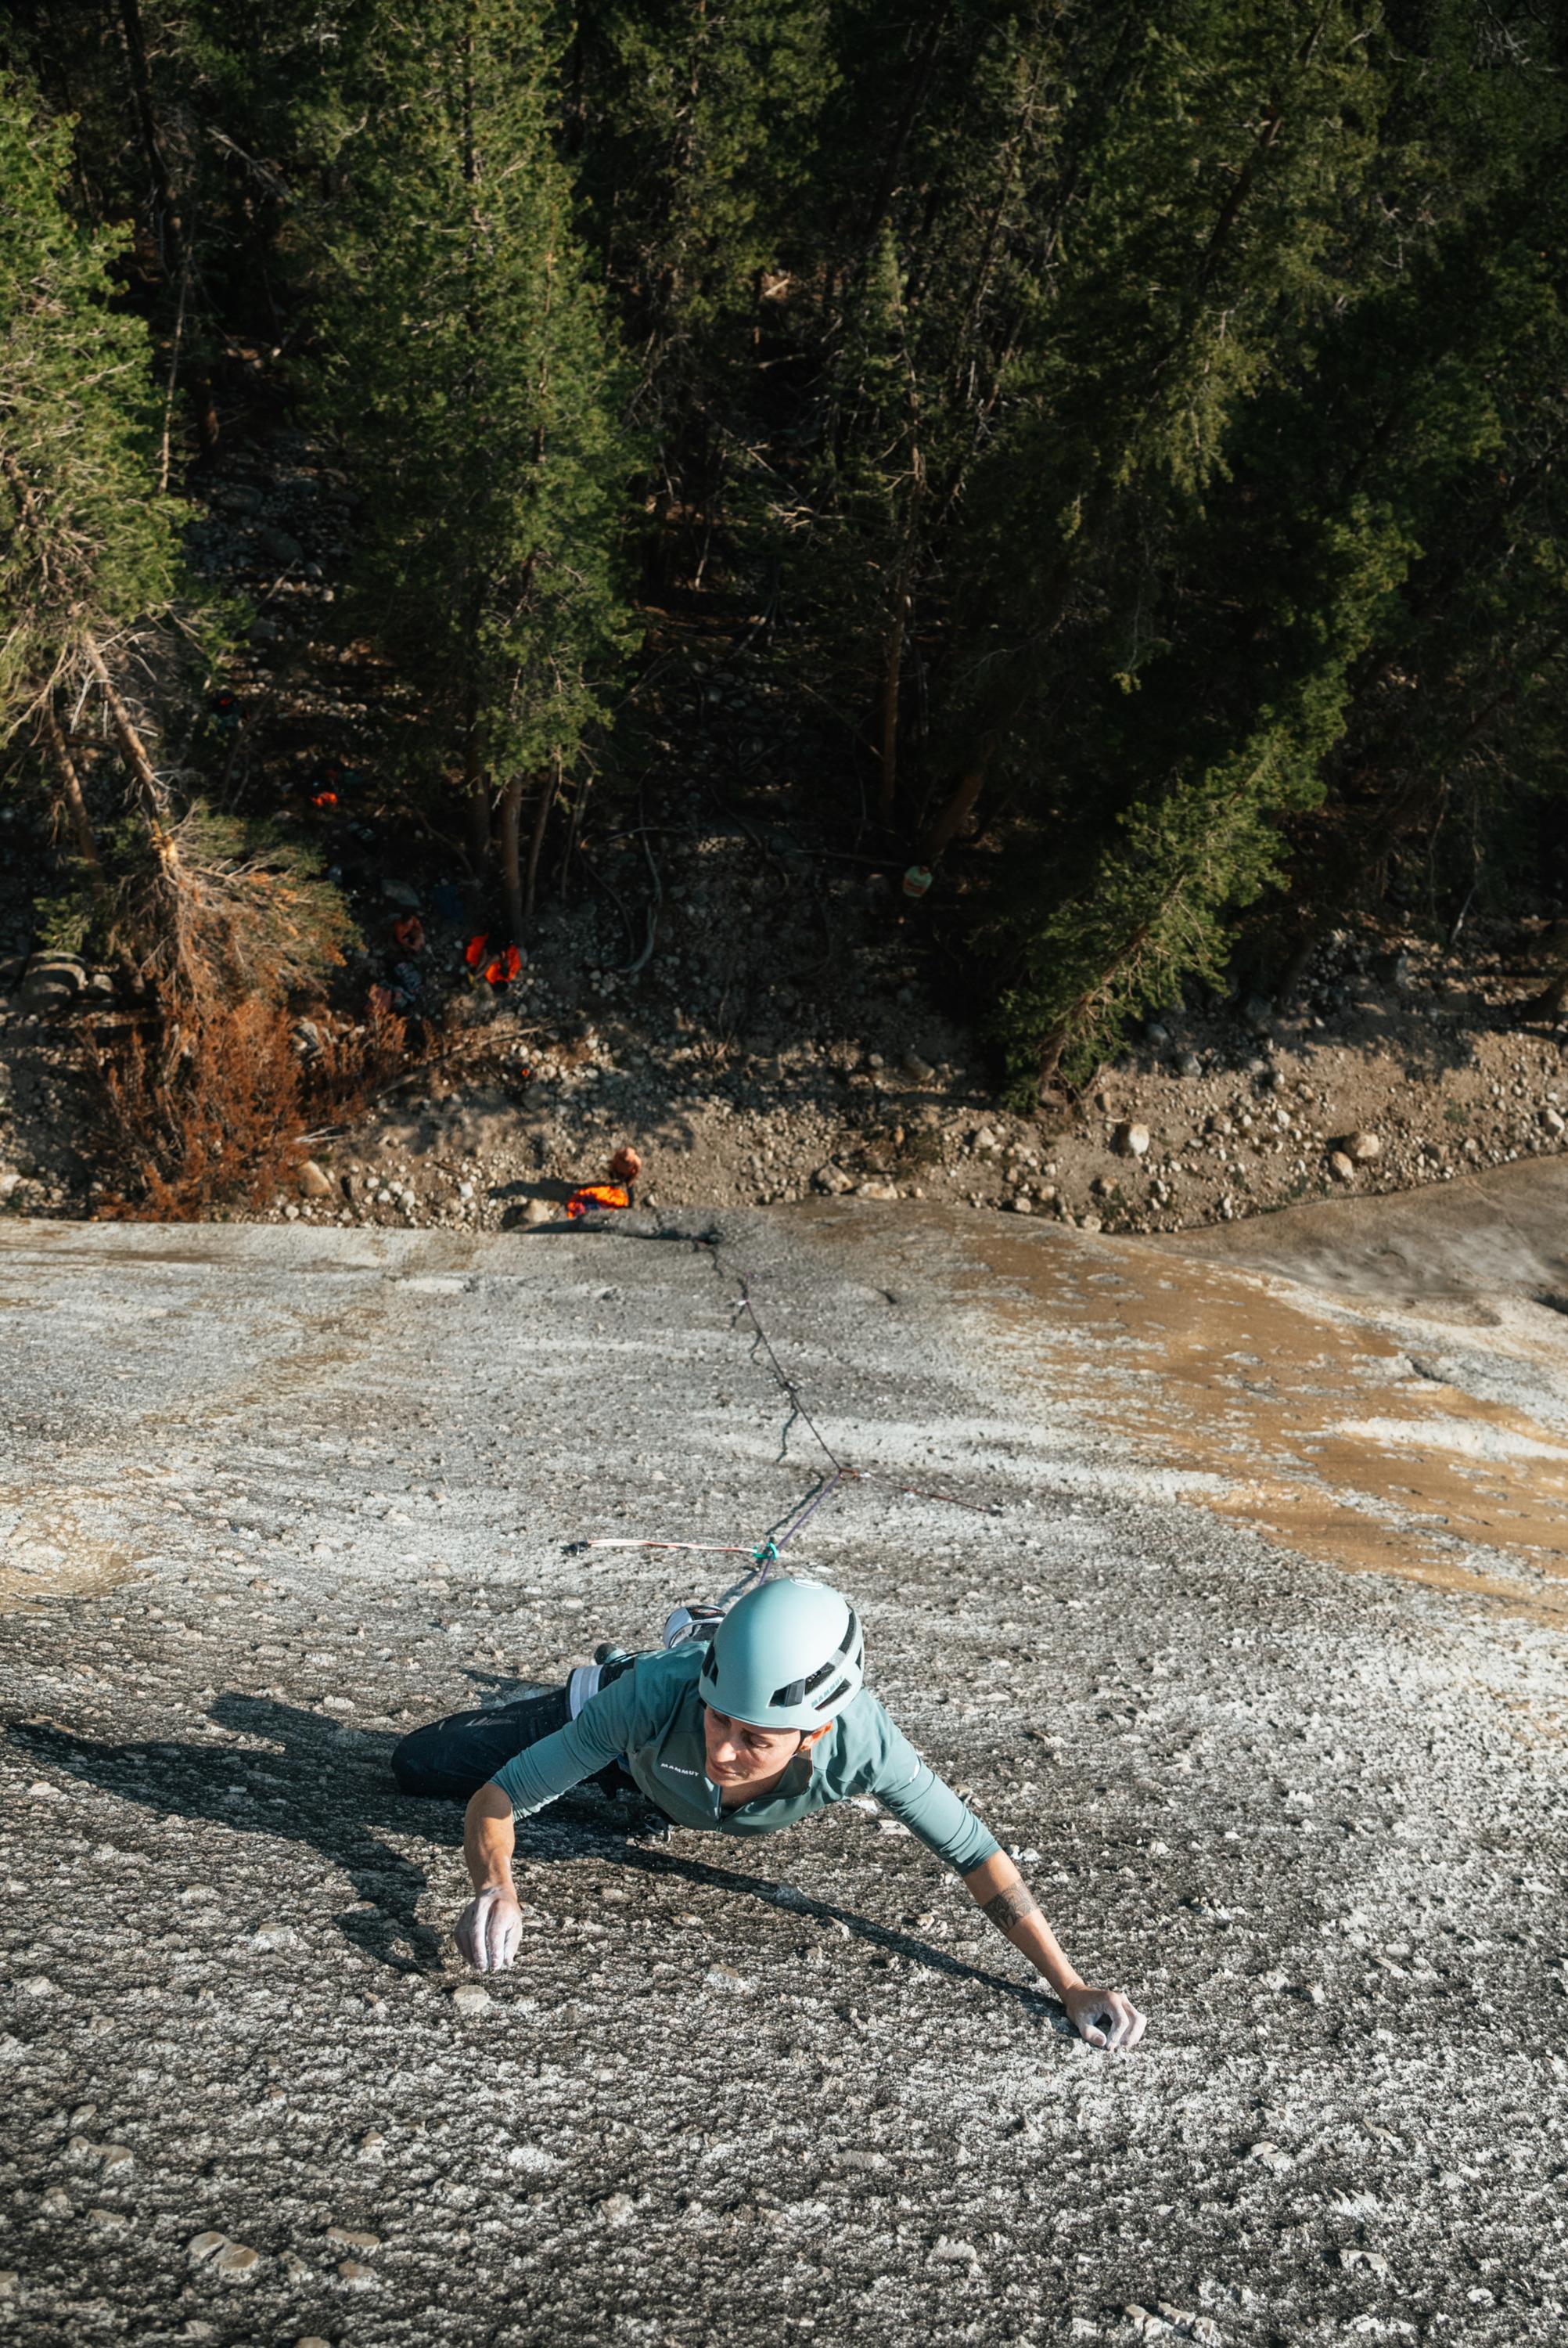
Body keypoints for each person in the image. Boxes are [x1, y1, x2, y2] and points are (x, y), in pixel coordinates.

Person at [391, 1574, 1146, 2051]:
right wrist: (497, 1883)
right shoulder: (655, 1701)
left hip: (674, 1776)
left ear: (816, 1732)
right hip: (627, 1743)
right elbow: (498, 1799)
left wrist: (1069, 1985)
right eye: (720, 1720)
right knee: (417, 1764)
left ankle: (709, 1625)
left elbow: (977, 1856)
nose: (725, 1750)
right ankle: (684, 1640)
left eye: (754, 1738)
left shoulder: (863, 1745)